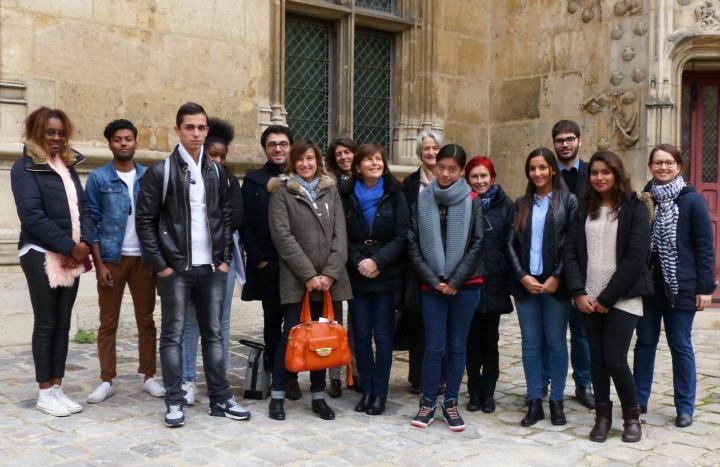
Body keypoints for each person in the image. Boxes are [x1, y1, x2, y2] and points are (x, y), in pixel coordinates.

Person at [136, 102, 250, 427]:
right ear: (178, 130)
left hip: (212, 269)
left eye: (201, 128)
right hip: (176, 270)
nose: (196, 133)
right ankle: (174, 401)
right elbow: (145, 222)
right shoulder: (162, 172)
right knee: (172, 334)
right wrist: (162, 266)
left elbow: (225, 218)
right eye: (190, 127)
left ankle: (220, 398)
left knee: (213, 334)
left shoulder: (217, 172)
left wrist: (224, 259)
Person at [564, 151, 652, 443]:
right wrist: (578, 292)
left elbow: (635, 258)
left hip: (623, 298)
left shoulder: (634, 207)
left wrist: (607, 297)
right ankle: (602, 417)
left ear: (617, 174)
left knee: (615, 358)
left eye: (606, 172)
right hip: (588, 298)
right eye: (595, 173)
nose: (599, 177)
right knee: (598, 360)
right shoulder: (583, 208)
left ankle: (631, 416)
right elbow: (571, 253)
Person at [11, 107, 92, 416]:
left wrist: (82, 244)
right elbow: (31, 215)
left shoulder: (68, 167)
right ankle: (44, 391)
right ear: (36, 133)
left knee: (62, 324)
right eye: (50, 132)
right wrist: (70, 248)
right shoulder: (24, 168)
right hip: (40, 253)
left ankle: (57, 387)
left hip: (72, 255)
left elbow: (83, 209)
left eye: (61, 132)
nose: (56, 138)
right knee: (46, 323)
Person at [267, 140, 352, 421]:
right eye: (300, 159)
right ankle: (277, 395)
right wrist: (309, 275)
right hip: (297, 281)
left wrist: (328, 274)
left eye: (310, 159)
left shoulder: (331, 191)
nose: (306, 164)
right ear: (293, 162)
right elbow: (283, 238)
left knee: (322, 340)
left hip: (329, 282)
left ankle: (318, 397)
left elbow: (341, 235)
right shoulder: (282, 193)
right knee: (290, 337)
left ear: (318, 162)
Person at [633, 144, 716, 428]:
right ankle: (638, 401)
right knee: (644, 344)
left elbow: (704, 247)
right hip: (648, 287)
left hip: (681, 287)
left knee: (680, 345)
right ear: (651, 166)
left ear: (679, 167)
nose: (663, 167)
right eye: (658, 163)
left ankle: (684, 407)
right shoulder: (644, 200)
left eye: (669, 163)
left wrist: (706, 288)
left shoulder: (692, 202)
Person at [85, 119, 164, 404]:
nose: (123, 143)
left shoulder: (149, 176)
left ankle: (148, 376)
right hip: (112, 258)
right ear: (110, 143)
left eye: (128, 138)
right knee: (108, 321)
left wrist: (157, 258)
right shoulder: (98, 179)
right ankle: (106, 379)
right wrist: (99, 265)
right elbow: (90, 221)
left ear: (135, 142)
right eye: (118, 139)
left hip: (143, 259)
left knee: (146, 320)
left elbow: (158, 219)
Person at [408, 144, 484, 432]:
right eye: (442, 167)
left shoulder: (473, 200)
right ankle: (428, 402)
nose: (446, 173)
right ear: (434, 166)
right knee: (434, 346)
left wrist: (454, 281)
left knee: (456, 346)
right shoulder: (423, 199)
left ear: (461, 171)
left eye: (453, 169)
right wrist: (433, 280)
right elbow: (412, 244)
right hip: (432, 286)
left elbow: (478, 243)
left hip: (466, 285)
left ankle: (450, 403)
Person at [507, 147, 577, 427]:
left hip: (554, 286)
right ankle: (535, 400)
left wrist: (557, 277)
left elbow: (571, 244)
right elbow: (510, 244)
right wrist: (522, 275)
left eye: (542, 167)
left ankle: (557, 401)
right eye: (532, 168)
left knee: (557, 344)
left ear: (552, 170)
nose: (537, 173)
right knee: (530, 344)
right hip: (527, 286)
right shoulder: (521, 203)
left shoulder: (568, 202)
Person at [340, 143, 409, 415]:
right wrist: (359, 261)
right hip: (358, 274)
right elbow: (340, 234)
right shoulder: (344, 194)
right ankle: (366, 388)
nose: (375, 164)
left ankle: (380, 392)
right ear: (358, 166)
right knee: (361, 335)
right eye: (368, 160)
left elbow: (403, 235)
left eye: (379, 159)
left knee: (382, 336)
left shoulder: (395, 192)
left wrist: (378, 261)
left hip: (385, 274)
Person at [181, 118, 243, 405]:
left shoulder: (229, 180)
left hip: (223, 260)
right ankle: (187, 379)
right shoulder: (187, 176)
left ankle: (219, 377)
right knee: (191, 320)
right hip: (193, 260)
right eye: (212, 154)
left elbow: (237, 217)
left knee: (221, 321)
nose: (217, 160)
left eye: (222, 156)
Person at [241, 125, 303, 400]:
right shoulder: (254, 181)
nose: (278, 149)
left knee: (296, 324)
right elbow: (247, 224)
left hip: (298, 265)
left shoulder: (303, 177)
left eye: (283, 144)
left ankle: (291, 376)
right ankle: (272, 372)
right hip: (269, 263)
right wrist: (259, 260)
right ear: (265, 148)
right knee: (272, 322)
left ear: (291, 146)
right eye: (272, 144)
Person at [463, 156, 514, 414]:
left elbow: (510, 243)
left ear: (492, 178)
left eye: (484, 176)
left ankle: (488, 392)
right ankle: (473, 390)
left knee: (490, 340)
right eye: (475, 176)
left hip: (494, 282)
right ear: (468, 179)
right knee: (471, 342)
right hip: (469, 283)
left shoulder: (505, 205)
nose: (480, 181)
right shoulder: (463, 203)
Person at [549, 119, 594, 409]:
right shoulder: (546, 173)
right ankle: (548, 384)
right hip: (552, 266)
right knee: (551, 333)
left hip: (585, 264)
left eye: (569, 139)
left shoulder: (593, 173)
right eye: (560, 140)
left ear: (579, 140)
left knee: (581, 331)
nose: (565, 144)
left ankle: (584, 382)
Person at [400, 130, 445, 395]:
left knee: (442, 324)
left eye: (435, 148)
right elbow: (406, 223)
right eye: (426, 149)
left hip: (447, 265)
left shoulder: (451, 180)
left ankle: (441, 377)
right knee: (418, 323)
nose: (431, 153)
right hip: (417, 266)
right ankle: (417, 377)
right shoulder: (408, 184)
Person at [325, 136, 359, 397]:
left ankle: (355, 372)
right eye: (338, 154)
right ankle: (333, 375)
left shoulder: (367, 180)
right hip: (336, 258)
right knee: (332, 321)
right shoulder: (330, 184)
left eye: (347, 152)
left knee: (357, 324)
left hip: (358, 258)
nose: (344, 157)